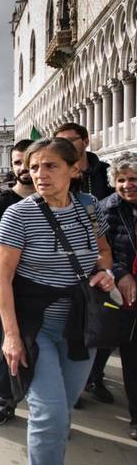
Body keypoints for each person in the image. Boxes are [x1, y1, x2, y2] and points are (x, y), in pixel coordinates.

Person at [0, 137, 114, 465]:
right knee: (48, 413)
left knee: (64, 412)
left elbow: (102, 253)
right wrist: (10, 336)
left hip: (81, 324)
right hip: (36, 326)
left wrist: (106, 273)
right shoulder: (17, 216)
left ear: (73, 169)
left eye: (50, 167)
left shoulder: (89, 209)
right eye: (33, 167)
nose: (39, 175)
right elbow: (0, 279)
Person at [0, 139, 35, 425]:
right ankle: (5, 399)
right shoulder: (0, 203)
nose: (24, 168)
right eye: (17, 162)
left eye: (30, 161)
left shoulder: (64, 200)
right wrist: (13, 252)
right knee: (7, 342)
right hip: (10, 288)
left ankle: (45, 408)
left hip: (54, 293)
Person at [90, 152, 137, 437]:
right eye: (121, 180)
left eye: (133, 179)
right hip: (118, 292)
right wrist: (122, 273)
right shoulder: (106, 209)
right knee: (114, 347)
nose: (127, 185)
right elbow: (103, 250)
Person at [54, 122, 112, 200]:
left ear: (86, 142)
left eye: (70, 140)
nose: (65, 146)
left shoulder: (107, 171)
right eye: (60, 143)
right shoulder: (54, 174)